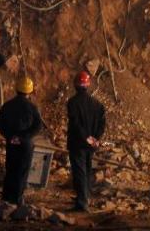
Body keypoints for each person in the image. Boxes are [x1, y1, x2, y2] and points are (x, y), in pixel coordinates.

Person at [0, 76, 43, 206]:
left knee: (10, 168)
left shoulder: (7, 105)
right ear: (30, 91)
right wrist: (24, 137)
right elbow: (38, 126)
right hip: (25, 143)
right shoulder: (32, 107)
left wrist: (10, 136)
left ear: (16, 88)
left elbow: (0, 124)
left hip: (11, 142)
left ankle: (6, 197)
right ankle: (17, 199)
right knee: (22, 171)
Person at [66, 70, 106, 212]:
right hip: (91, 145)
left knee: (80, 172)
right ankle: (84, 197)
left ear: (76, 85)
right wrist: (95, 138)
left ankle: (82, 202)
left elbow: (75, 124)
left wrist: (86, 138)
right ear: (88, 85)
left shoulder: (72, 103)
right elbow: (102, 125)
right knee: (87, 169)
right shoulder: (97, 105)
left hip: (78, 143)